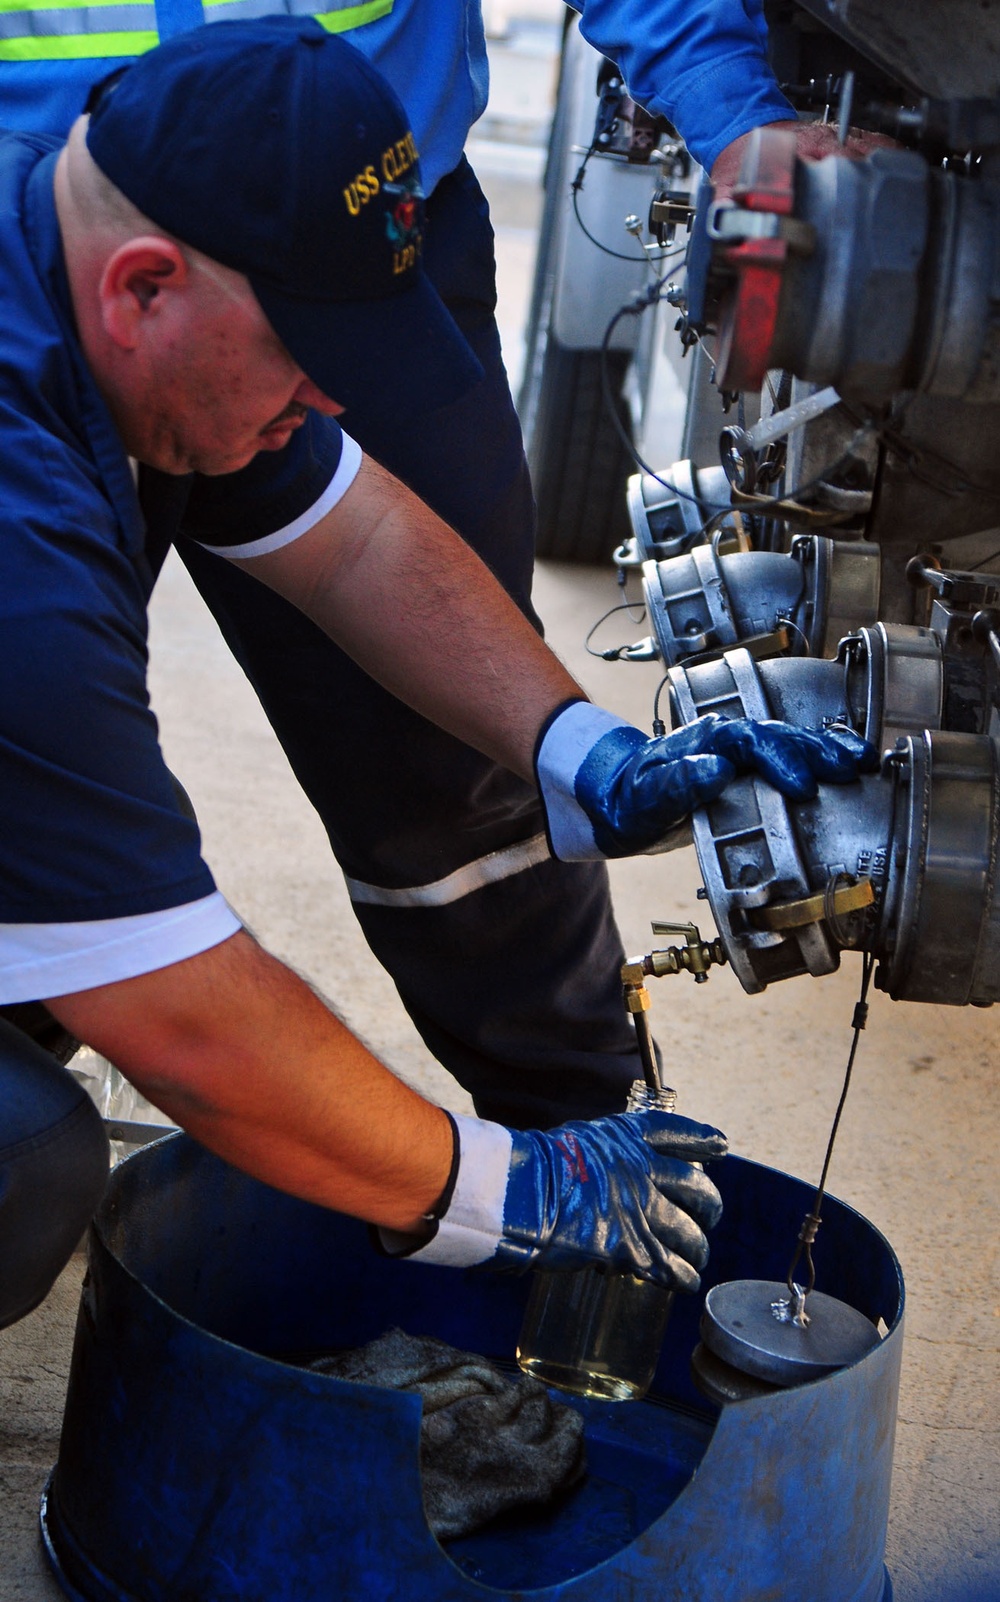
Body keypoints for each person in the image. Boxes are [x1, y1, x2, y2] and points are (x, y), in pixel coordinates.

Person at [0, 18, 875, 1330]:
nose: (331, 403)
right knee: (20, 1156)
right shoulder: (19, 540)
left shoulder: (63, 273)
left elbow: (353, 541)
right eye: (304, 357)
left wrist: (589, 755)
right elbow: (178, 1011)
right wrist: (509, 1193)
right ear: (143, 289)